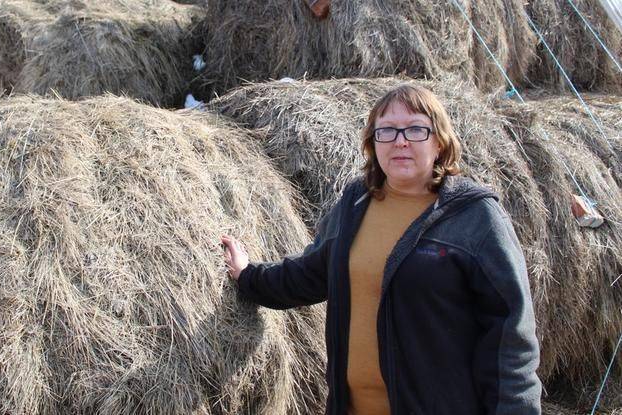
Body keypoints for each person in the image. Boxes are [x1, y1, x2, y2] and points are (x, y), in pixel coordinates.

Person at [220, 84, 542, 415]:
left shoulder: (475, 217)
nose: (400, 140)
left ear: (440, 142)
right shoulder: (356, 203)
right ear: (373, 144)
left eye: (416, 129)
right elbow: (313, 272)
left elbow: (510, 336)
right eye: (386, 131)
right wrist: (249, 276)